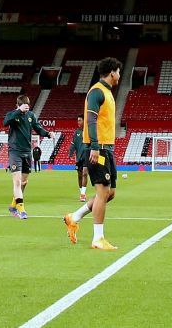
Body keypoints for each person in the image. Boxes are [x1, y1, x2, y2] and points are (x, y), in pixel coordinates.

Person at [63, 57, 124, 252]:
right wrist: (95, 147)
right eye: (118, 72)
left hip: (107, 148)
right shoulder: (97, 91)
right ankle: (98, 238)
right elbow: (91, 120)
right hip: (99, 148)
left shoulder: (107, 92)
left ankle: (75, 217)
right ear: (112, 72)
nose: (119, 76)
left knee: (110, 194)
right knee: (102, 193)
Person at [4, 95, 43, 219]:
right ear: (18, 105)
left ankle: (13, 205)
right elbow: (5, 122)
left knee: (24, 181)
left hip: (27, 152)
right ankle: (21, 209)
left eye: (28, 104)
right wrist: (19, 111)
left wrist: (48, 133)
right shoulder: (12, 114)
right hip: (15, 151)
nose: (27, 106)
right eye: (24, 104)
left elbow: (38, 128)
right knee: (17, 181)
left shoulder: (31, 116)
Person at [70, 120, 90, 203]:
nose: (78, 122)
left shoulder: (89, 131)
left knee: (85, 173)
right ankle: (81, 191)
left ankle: (83, 194)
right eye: (77, 120)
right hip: (78, 157)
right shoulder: (76, 132)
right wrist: (70, 153)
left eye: (79, 120)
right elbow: (73, 144)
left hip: (86, 155)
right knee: (79, 175)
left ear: (84, 121)